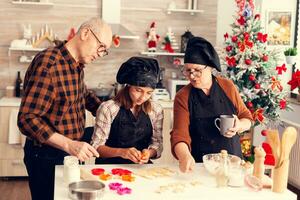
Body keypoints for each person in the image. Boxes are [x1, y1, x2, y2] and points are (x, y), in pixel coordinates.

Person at [17, 17, 112, 200]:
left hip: (68, 153)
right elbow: (27, 119)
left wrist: (110, 110)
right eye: (101, 47)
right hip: (46, 156)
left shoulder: (76, 65)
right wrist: (70, 144)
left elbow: (83, 96)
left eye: (104, 51)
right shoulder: (49, 64)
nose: (101, 54)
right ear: (85, 33)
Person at [170, 36, 253, 173]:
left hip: (231, 163)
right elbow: (179, 135)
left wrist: (240, 125)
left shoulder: (228, 86)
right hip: (201, 165)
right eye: (188, 70)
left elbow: (247, 117)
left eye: (197, 70)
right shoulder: (182, 97)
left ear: (210, 68)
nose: (191, 76)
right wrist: (184, 156)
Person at [91, 57, 163, 164]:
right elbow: (96, 147)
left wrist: (149, 153)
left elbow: (157, 145)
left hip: (140, 166)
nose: (143, 97)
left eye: (149, 93)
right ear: (127, 86)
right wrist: (122, 152)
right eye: (138, 90)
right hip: (109, 167)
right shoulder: (108, 108)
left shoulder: (155, 109)